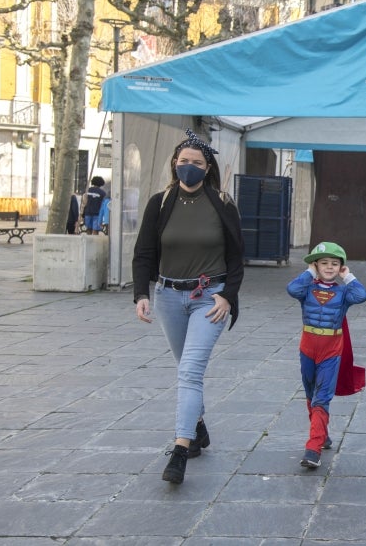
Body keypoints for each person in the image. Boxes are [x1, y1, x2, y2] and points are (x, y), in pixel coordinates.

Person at [132, 129, 244, 485]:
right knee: (186, 368)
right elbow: (144, 252)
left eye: (197, 163)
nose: (189, 168)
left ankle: (180, 450)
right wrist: (141, 293)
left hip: (209, 299)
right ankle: (199, 428)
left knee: (190, 373)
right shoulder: (160, 202)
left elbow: (238, 258)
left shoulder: (223, 203)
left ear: (207, 166)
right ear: (174, 164)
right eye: (184, 162)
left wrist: (228, 296)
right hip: (168, 296)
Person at [287, 242, 366, 469]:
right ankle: (322, 433)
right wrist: (309, 271)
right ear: (316, 265)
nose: (330, 267)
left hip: (331, 349)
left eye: (335, 263)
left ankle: (313, 447)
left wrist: (348, 276)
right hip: (307, 347)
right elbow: (292, 289)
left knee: (322, 396)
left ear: (341, 266)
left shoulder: (343, 293)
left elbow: (362, 295)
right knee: (310, 392)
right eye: (324, 263)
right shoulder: (306, 289)